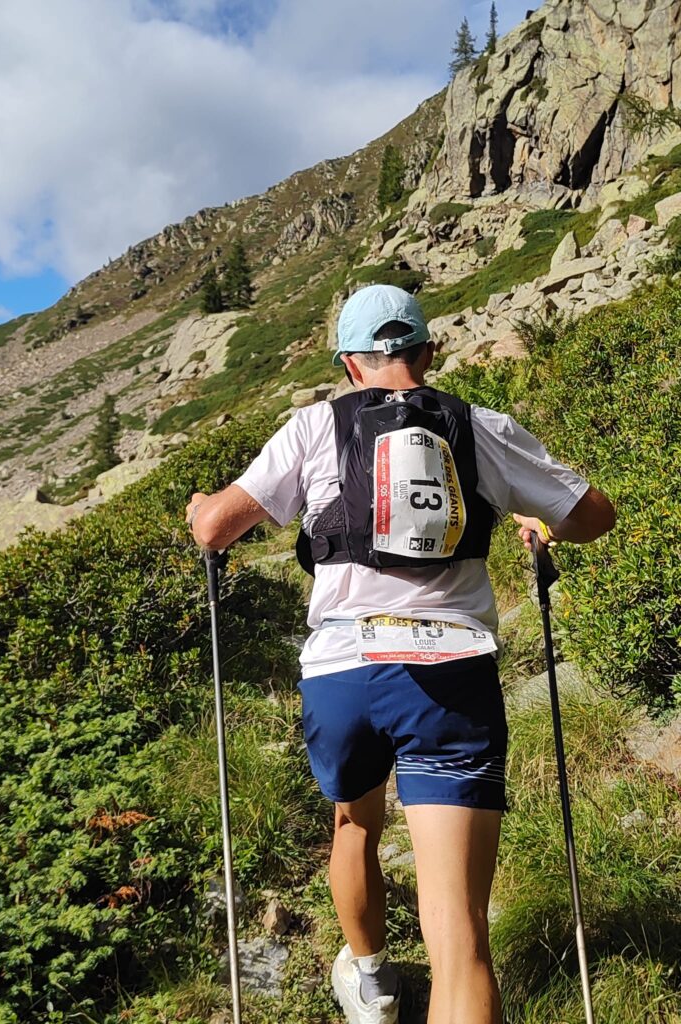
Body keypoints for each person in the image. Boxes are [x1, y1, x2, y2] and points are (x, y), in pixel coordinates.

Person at [185, 284, 615, 1024]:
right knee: (461, 939)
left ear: (350, 364)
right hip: (450, 675)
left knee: (354, 824)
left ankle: (373, 982)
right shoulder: (480, 426)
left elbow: (218, 528)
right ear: (428, 352)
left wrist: (201, 511)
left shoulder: (313, 425)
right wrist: (537, 524)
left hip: (344, 674)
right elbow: (593, 517)